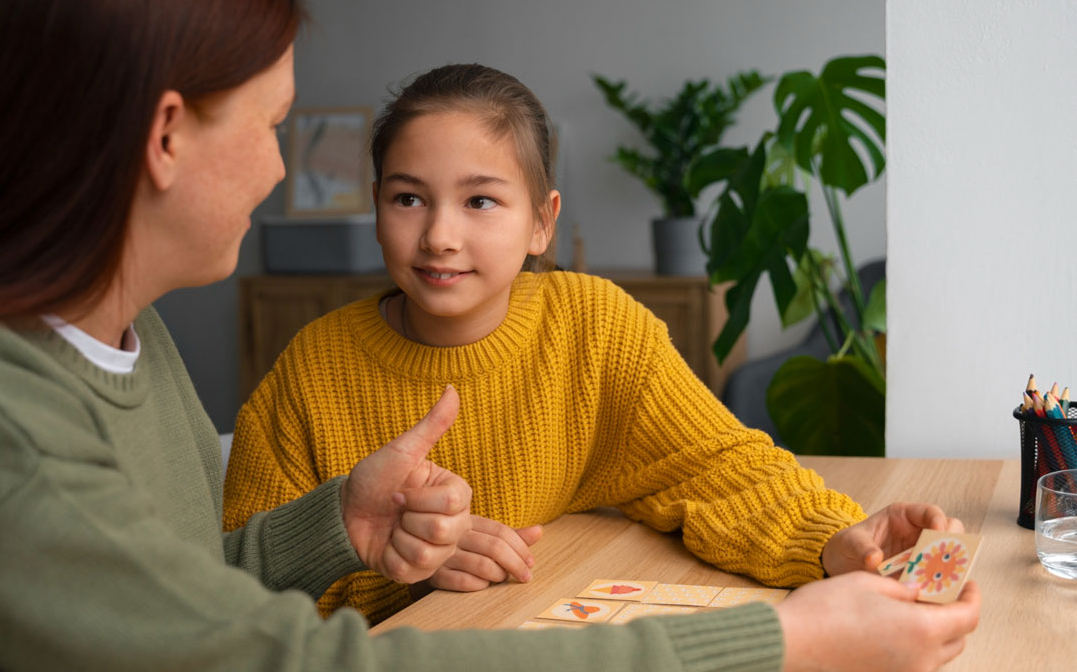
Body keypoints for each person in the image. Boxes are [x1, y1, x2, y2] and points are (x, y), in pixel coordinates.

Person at [0, 0, 979, 671]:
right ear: (168, 136)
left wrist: (338, 526)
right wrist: (779, 644)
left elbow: (179, 608)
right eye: (272, 127)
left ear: (540, 221)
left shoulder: (126, 339)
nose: (279, 164)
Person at [223, 61, 980, 644]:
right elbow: (231, 594)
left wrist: (833, 541)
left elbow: (718, 466)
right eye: (408, 197)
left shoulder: (595, 326)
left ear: (542, 222)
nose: (440, 236)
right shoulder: (311, 369)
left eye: (481, 200)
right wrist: (396, 574)